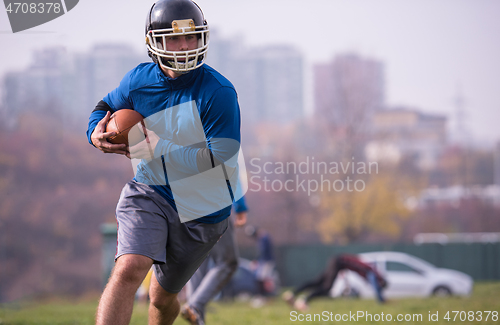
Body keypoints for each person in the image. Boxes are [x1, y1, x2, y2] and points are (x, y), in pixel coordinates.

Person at [86, 0, 243, 324]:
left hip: (203, 206)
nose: (184, 46)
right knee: (128, 269)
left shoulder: (219, 92)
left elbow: (218, 160)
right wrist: (94, 132)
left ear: (203, 38)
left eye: (191, 37)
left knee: (160, 298)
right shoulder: (138, 80)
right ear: (153, 41)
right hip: (150, 190)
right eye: (174, 39)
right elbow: (105, 105)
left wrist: (157, 145)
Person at [181, 196, 248, 325]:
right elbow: (232, 176)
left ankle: (196, 317)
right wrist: (240, 207)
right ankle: (195, 305)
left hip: (187, 208)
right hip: (214, 204)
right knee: (228, 262)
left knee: (197, 263)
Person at [282, 254, 387, 311]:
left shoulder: (370, 268)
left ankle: (292, 294)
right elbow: (369, 278)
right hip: (338, 262)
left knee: (317, 282)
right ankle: (304, 300)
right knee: (327, 288)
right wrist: (381, 298)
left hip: (337, 261)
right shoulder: (370, 270)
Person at [245, 226, 276, 301]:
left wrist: (256, 261)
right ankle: (263, 297)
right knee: (262, 279)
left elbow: (263, 251)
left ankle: (262, 297)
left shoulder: (263, 238)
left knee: (261, 279)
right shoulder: (263, 238)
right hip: (264, 261)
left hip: (266, 261)